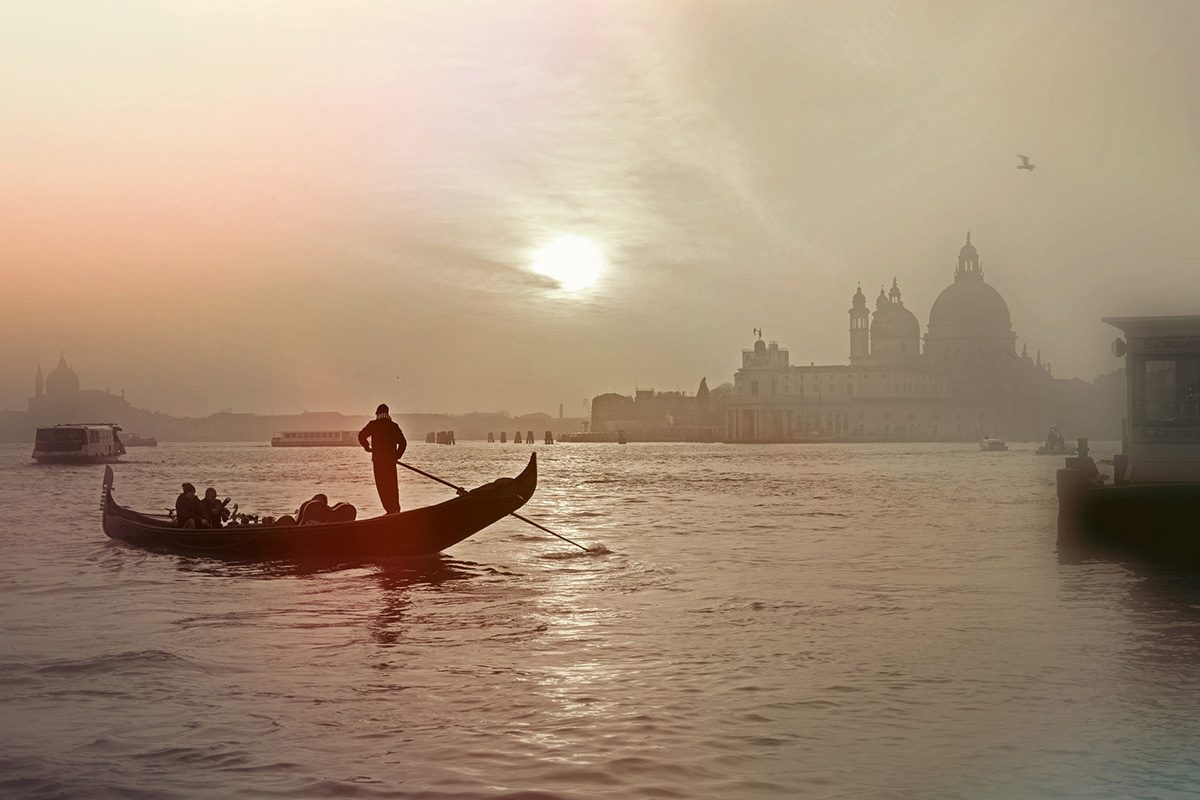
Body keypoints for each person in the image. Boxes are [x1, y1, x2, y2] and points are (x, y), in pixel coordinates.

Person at [358, 403, 407, 513]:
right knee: (392, 487)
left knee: (382, 487)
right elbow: (403, 443)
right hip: (390, 462)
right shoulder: (393, 426)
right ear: (387, 413)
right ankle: (395, 510)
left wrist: (367, 447)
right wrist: (397, 456)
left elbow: (361, 435)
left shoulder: (373, 425)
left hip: (378, 461)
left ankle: (389, 510)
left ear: (377, 414)